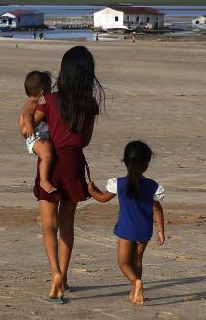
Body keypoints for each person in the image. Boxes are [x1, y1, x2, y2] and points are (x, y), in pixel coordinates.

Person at [33, 46, 104, 303]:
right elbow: (86, 139)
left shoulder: (50, 100)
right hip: (74, 163)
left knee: (49, 226)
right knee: (67, 226)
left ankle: (54, 273)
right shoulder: (90, 105)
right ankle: (63, 276)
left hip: (51, 162)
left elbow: (33, 125)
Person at [87, 140, 166, 306]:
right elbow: (157, 210)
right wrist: (161, 231)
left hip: (126, 230)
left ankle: (136, 283)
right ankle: (135, 294)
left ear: (125, 162)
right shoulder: (152, 186)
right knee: (137, 260)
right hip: (145, 230)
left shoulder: (119, 184)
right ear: (146, 164)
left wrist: (91, 191)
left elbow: (102, 199)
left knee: (124, 263)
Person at [19, 70, 56, 195]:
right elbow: (27, 115)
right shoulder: (32, 102)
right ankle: (44, 180)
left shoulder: (37, 101)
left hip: (41, 135)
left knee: (49, 152)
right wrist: (29, 127)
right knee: (46, 154)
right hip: (35, 137)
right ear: (42, 91)